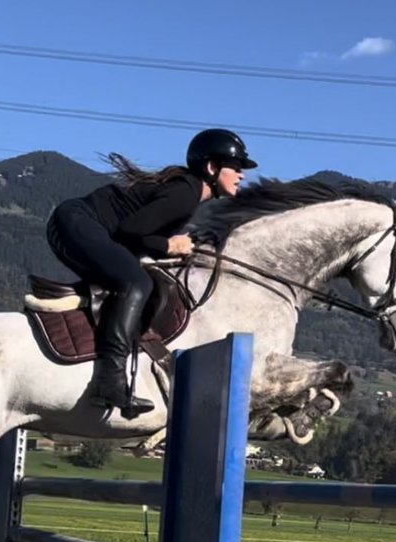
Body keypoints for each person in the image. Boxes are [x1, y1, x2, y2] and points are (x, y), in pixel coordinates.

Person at [46, 128, 258, 418]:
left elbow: (136, 235)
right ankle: (110, 380)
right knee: (135, 283)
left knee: (136, 279)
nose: (241, 175)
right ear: (211, 167)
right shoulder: (186, 193)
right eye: (235, 167)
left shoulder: (188, 191)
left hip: (75, 223)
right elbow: (131, 231)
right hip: (78, 223)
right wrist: (169, 245)